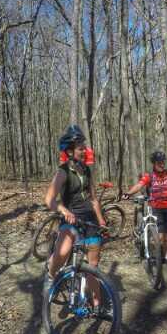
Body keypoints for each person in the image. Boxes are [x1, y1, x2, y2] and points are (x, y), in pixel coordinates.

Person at [43, 127, 108, 303]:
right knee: (63, 252)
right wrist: (63, 210)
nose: (84, 151)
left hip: (90, 221)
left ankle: (97, 303)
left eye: (84, 147)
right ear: (70, 151)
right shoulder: (62, 172)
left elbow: (93, 199)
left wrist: (101, 220)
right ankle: (50, 275)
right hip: (71, 219)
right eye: (80, 148)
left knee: (92, 265)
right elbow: (49, 199)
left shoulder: (86, 170)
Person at [122, 151, 167, 267]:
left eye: (163, 162)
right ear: (154, 163)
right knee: (160, 236)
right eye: (159, 162)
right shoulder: (149, 176)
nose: (162, 164)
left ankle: (166, 258)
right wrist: (129, 193)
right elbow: (139, 185)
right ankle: (157, 256)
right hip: (156, 208)